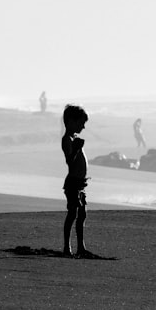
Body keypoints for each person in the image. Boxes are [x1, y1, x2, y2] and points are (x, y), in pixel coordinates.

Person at [61, 104, 90, 258]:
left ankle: (81, 247)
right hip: (73, 183)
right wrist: (77, 148)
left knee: (82, 214)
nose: (83, 127)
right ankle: (67, 247)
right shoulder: (67, 139)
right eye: (81, 123)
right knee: (72, 213)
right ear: (71, 121)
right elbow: (70, 161)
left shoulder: (75, 138)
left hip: (80, 183)